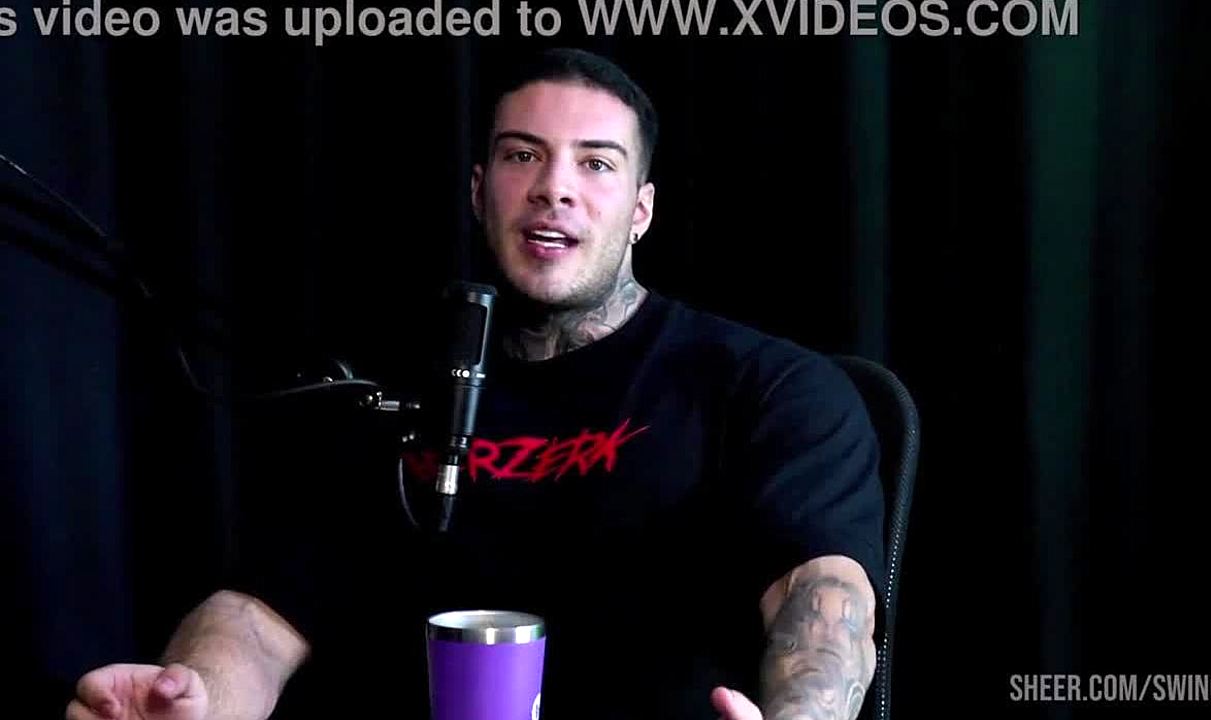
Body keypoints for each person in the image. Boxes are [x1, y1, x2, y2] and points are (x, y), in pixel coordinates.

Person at [66, 47, 885, 720]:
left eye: (595, 164)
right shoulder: (378, 392)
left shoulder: (769, 386)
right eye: (522, 155)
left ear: (641, 211)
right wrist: (197, 699)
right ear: (478, 189)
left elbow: (823, 601)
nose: (553, 186)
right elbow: (257, 614)